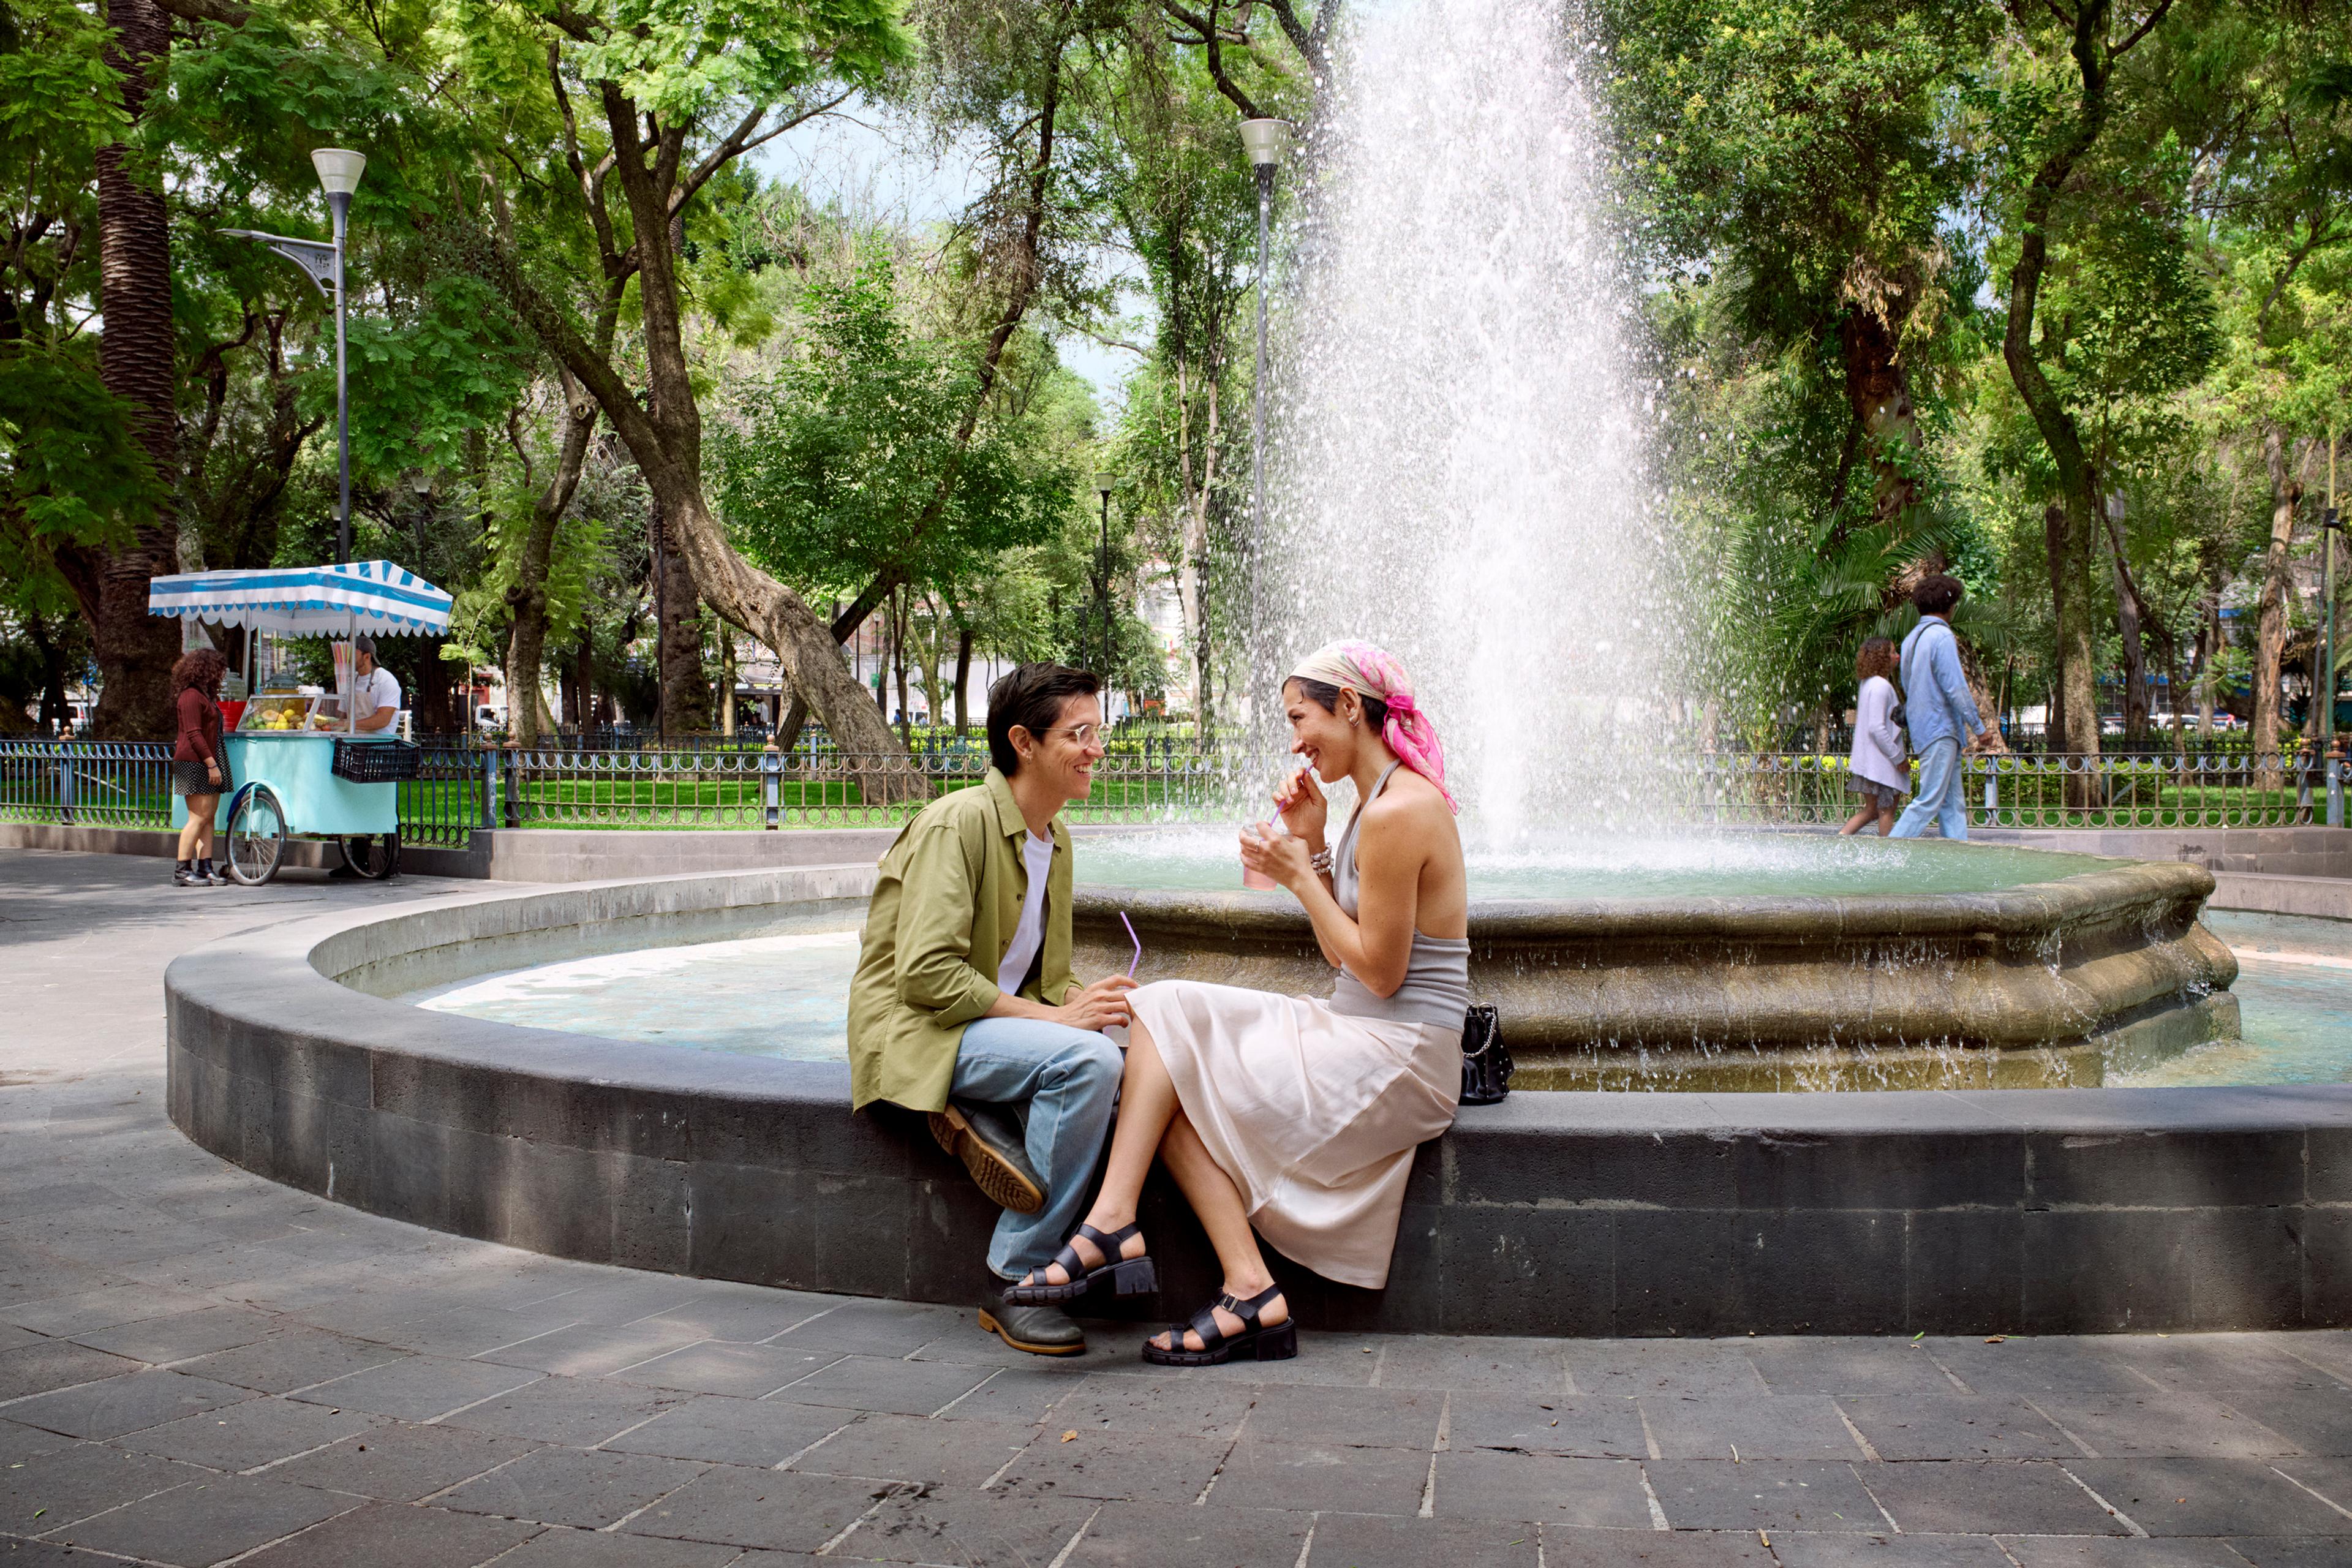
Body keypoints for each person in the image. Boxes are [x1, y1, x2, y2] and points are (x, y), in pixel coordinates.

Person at [1008, 640, 1467, 1367]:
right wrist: (1313, 845)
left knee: (1166, 1035)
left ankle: (1116, 1228)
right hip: (1362, 1027)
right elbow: (1344, 955)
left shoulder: (1400, 810)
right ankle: (1241, 1285)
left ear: (1350, 706)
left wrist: (1300, 879)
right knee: (1163, 1048)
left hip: (1400, 1054)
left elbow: (1381, 975)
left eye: (1301, 716)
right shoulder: (1370, 808)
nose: (1296, 740)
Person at [845, 662, 1137, 1357]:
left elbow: (1050, 978)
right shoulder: (959, 823)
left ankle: (982, 1119)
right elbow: (926, 976)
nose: (1098, 749)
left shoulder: (1055, 839)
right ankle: (1019, 1273)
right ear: (1024, 742)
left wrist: (1110, 1003)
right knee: (1087, 1061)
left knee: (1127, 1054)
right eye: (1081, 733)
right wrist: (1064, 1024)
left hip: (987, 1026)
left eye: (1099, 732)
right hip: (921, 1029)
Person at [1889, 575, 1989, 841]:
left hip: (1925, 729)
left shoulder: (1912, 638)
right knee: (1930, 800)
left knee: (1951, 803)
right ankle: (1887, 853)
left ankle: (1956, 857)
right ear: (1949, 605)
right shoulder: (1942, 636)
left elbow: (1909, 685)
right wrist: (1979, 729)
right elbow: (1955, 688)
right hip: (1941, 728)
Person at [170, 647, 232, 888]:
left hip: (206, 761)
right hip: (196, 762)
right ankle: (182, 869)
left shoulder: (203, 696)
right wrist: (211, 764)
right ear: (206, 670)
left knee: (208, 817)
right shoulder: (190, 697)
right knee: (198, 817)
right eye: (219, 670)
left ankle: (206, 866)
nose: (222, 675)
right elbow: (194, 734)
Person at [1841, 636, 1907, 837]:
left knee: (1871, 811)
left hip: (1871, 760)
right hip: (1883, 762)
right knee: (1887, 810)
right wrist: (1898, 758)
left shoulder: (1868, 684)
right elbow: (1877, 728)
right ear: (1882, 657)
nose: (1897, 656)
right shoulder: (1881, 686)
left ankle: (1841, 839)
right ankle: (1887, 853)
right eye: (1893, 652)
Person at [349, 635, 401, 734]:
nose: (348, 658)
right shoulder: (351, 681)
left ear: (367, 657)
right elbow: (342, 714)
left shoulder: (386, 680)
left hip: (379, 744)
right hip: (353, 742)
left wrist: (348, 724)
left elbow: (383, 720)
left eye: (352, 654)